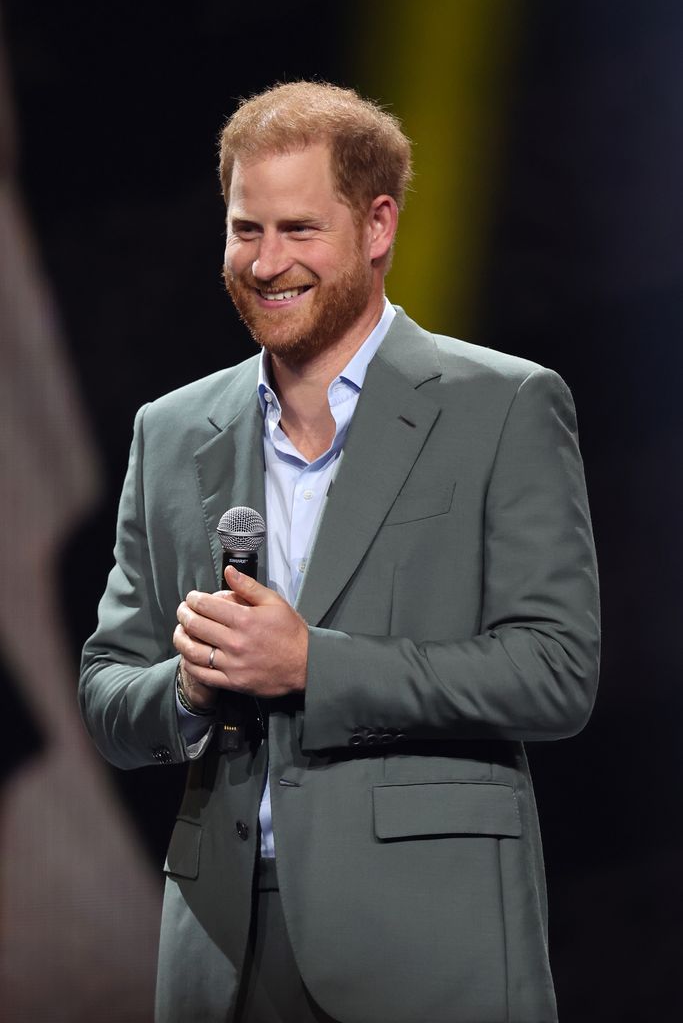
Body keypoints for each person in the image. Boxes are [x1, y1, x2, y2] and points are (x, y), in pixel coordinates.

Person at [80, 81, 600, 1023]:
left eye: (297, 229)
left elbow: (555, 673)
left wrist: (313, 665)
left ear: (376, 225)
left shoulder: (504, 405)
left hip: (426, 942)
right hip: (221, 953)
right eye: (246, 229)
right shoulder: (171, 430)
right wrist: (191, 687)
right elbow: (111, 693)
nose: (266, 262)